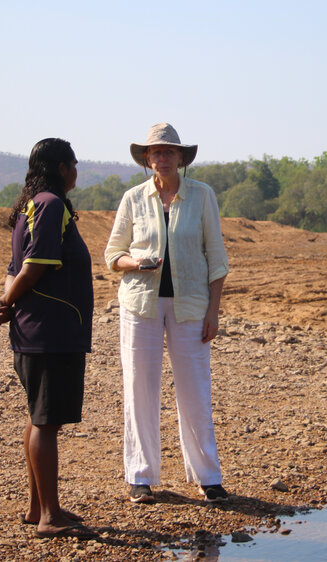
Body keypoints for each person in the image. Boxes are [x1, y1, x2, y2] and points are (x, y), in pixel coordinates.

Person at [104, 123, 230, 504]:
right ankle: (140, 477)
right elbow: (113, 255)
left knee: (195, 389)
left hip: (191, 306)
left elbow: (217, 259)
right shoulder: (133, 198)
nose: (162, 158)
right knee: (139, 388)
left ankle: (208, 478)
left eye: (168, 152)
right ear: (147, 159)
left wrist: (214, 311)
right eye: (155, 152)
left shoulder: (202, 196)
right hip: (140, 305)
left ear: (180, 158)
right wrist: (135, 262)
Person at [0, 138, 97, 539]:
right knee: (45, 423)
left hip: (36, 330)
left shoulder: (32, 206)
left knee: (38, 418)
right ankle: (50, 516)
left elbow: (13, 268)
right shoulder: (51, 204)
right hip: (51, 332)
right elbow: (32, 267)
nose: (76, 172)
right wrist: (4, 301)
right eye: (74, 164)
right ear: (63, 168)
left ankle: (38, 508)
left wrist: (5, 304)